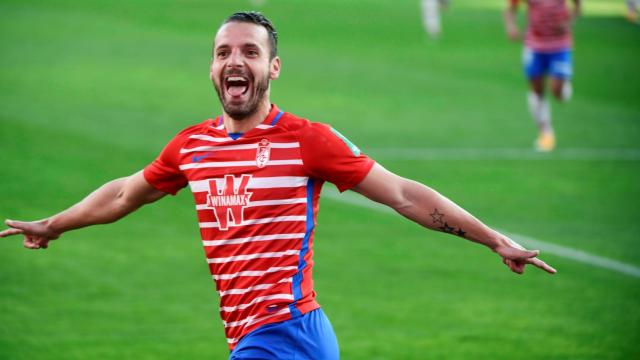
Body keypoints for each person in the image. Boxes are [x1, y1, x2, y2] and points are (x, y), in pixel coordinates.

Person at [1, 11, 557, 360]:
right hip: (258, 338)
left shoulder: (307, 140)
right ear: (212, 68)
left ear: (273, 68)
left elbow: (405, 194)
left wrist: (493, 238)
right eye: (223, 53)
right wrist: (54, 225)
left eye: (249, 52)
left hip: (284, 333)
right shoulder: (191, 146)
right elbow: (124, 194)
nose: (234, 61)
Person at [504, 0, 581, 152]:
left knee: (557, 91)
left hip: (560, 44)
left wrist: (569, 21)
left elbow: (578, 5)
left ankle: (562, 88)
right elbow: (510, 9)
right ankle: (546, 132)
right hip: (534, 45)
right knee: (536, 89)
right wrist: (511, 27)